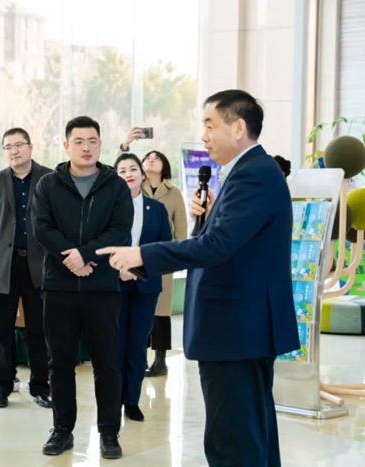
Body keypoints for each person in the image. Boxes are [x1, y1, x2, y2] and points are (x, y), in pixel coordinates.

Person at [98, 90, 300, 467]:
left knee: (233, 441)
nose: (203, 136)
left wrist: (142, 255)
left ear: (238, 128)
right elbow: (227, 242)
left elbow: (217, 246)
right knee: (251, 433)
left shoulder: (253, 174)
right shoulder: (247, 172)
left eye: (210, 125)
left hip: (236, 329)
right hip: (241, 329)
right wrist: (204, 218)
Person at [32, 116, 134, 460]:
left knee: (107, 363)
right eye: (78, 141)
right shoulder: (48, 184)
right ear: (66, 146)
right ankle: (62, 430)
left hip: (101, 287)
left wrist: (86, 255)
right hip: (58, 287)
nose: (86, 148)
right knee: (59, 362)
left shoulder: (115, 186)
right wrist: (71, 258)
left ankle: (109, 433)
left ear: (100, 145)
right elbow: (41, 227)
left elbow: (120, 230)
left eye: (92, 141)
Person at [0, 127, 52, 410]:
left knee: (39, 330)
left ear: (31, 147)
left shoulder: (49, 179)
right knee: (0, 330)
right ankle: (1, 387)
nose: (14, 151)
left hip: (40, 266)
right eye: (8, 146)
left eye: (19, 145)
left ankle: (41, 387)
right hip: (3, 266)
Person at [113, 152, 171, 422]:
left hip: (146, 287)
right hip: (114, 285)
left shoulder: (156, 209)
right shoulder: (109, 209)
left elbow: (165, 247)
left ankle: (132, 400)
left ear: (142, 173)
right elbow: (100, 247)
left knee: (137, 346)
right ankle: (114, 400)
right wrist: (120, 270)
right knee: (116, 346)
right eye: (122, 170)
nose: (128, 174)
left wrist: (140, 270)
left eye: (133, 168)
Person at [141, 149, 187, 376]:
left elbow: (181, 228)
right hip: (137, 256)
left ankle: (160, 361)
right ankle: (138, 357)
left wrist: (175, 257)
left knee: (161, 312)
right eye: (147, 158)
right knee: (139, 309)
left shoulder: (173, 192)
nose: (151, 160)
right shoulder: (133, 187)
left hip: (162, 258)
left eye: (156, 158)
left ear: (164, 166)